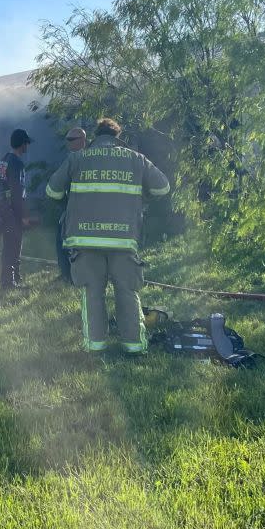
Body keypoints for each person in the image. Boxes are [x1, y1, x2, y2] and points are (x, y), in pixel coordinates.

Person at [46, 118, 170, 354]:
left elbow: (52, 191)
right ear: (117, 135)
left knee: (93, 292)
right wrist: (141, 198)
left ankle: (96, 346)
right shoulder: (136, 159)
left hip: (86, 240)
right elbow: (162, 187)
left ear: (96, 136)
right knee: (127, 291)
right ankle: (133, 347)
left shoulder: (78, 159)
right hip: (123, 240)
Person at [0, 128, 32, 290]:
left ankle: (14, 278)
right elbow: (17, 190)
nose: (28, 146)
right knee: (14, 245)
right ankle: (9, 282)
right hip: (14, 210)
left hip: (4, 207)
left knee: (9, 244)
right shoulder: (17, 163)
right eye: (27, 143)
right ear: (22, 144)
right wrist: (23, 214)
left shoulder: (4, 160)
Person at [55, 127, 87, 280]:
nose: (68, 143)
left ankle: (71, 275)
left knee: (72, 244)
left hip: (81, 210)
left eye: (71, 140)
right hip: (68, 206)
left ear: (82, 140)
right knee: (62, 240)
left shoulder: (84, 159)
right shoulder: (71, 158)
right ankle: (66, 274)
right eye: (67, 139)